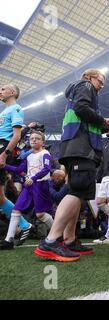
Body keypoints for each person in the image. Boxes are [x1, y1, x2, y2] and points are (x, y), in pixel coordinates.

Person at [34, 69, 109, 262]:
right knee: (76, 192)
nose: (101, 86)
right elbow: (82, 109)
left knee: (78, 193)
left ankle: (69, 240)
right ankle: (52, 240)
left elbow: (94, 123)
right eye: (100, 81)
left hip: (76, 147)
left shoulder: (83, 92)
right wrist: (102, 119)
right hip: (81, 148)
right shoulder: (86, 87)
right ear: (89, 77)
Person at [1, 131, 54, 249]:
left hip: (40, 186)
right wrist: (4, 166)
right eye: (32, 139)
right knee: (16, 210)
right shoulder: (29, 156)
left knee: (40, 214)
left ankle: (57, 233)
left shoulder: (45, 153)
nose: (34, 140)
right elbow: (19, 169)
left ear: (43, 142)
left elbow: (47, 169)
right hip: (29, 186)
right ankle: (8, 240)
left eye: (37, 138)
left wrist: (33, 178)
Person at [0, 84, 33, 249]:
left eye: (3, 89)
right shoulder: (4, 111)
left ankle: (22, 226)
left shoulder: (17, 108)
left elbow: (17, 135)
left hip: (2, 149)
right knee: (0, 198)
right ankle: (23, 226)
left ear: (12, 92)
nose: (0, 91)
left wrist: (4, 154)